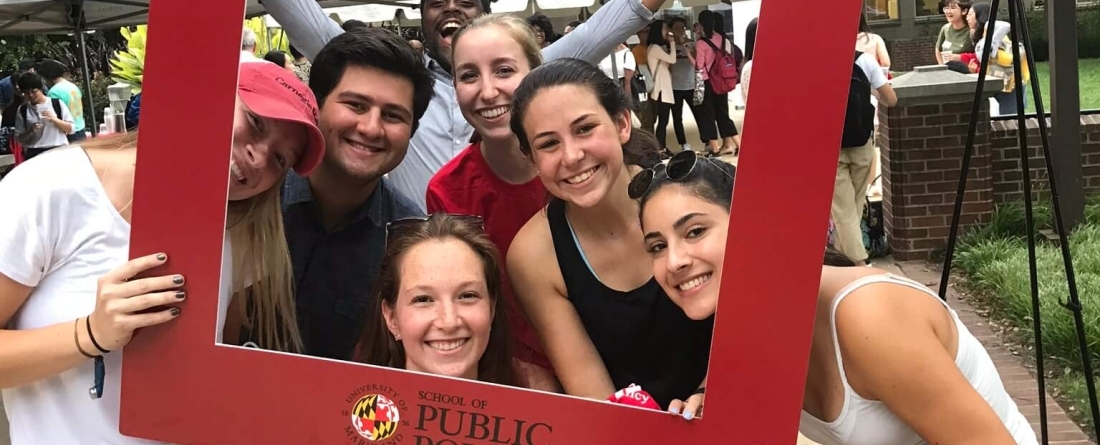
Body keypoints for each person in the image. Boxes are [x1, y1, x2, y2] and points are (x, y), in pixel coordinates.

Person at [0, 61, 324, 444]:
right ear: (211, 100)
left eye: (280, 160)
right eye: (255, 122)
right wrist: (90, 334)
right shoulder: (55, 186)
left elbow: (207, 373)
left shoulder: (241, 236)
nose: (260, 157)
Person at [632, 153, 1039, 444]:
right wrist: (710, 401)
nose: (675, 261)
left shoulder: (868, 317)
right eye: (656, 247)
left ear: (753, 224)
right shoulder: (746, 320)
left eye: (695, 231)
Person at [265, 0, 664, 212]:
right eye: (437, 2)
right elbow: (300, 15)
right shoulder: (392, 87)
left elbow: (621, 15)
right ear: (423, 17)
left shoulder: (532, 73)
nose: (451, 8)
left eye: (466, 2)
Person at [507, 58, 712, 409]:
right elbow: (595, 397)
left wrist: (711, 394)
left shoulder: (694, 193)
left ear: (621, 124)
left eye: (585, 128)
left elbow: (748, 319)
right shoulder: (535, 254)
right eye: (548, 144)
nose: (572, 156)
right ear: (531, 158)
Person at [280, 29, 431, 361]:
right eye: (355, 105)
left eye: (393, 115)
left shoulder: (410, 246)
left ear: (411, 132)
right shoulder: (253, 196)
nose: (371, 128)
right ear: (315, 105)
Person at [425, 14, 557, 391]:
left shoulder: (575, 167)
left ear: (535, 72)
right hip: (512, 374)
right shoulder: (448, 190)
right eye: (468, 75)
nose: (487, 91)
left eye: (503, 70)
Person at [357, 214, 517, 386]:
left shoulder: (531, 407)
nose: (449, 322)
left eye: (467, 296)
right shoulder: (345, 410)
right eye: (423, 299)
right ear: (391, 318)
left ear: (491, 309)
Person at [694, 10, 741, 156]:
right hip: (721, 81)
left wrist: (689, 54)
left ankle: (715, 148)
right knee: (723, 114)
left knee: (707, 114)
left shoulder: (701, 42)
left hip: (708, 82)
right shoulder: (721, 37)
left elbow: (699, 66)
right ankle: (739, 144)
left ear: (700, 24)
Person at [13, 72, 74, 161]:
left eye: (34, 91)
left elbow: (71, 129)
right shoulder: (23, 110)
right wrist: (30, 130)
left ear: (40, 89)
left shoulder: (56, 104)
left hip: (58, 149)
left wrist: (55, 120)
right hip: (35, 152)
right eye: (26, 93)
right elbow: (19, 138)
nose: (31, 95)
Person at [668, 17, 703, 154]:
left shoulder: (692, 44)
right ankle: (683, 143)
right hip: (675, 86)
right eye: (676, 28)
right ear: (671, 30)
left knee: (699, 114)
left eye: (682, 27)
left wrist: (685, 45)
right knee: (677, 117)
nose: (680, 30)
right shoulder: (668, 46)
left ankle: (706, 139)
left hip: (691, 85)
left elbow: (696, 61)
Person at [37, 60, 87, 142]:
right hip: (80, 129)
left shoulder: (54, 92)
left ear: (46, 77)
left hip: (68, 133)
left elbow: (54, 116)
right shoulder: (72, 86)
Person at [647, 20, 677, 155]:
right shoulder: (655, 48)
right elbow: (673, 60)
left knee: (663, 120)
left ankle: (662, 146)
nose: (667, 31)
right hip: (661, 90)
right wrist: (672, 43)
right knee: (663, 120)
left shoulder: (656, 47)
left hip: (662, 88)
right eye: (665, 28)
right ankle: (660, 148)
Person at [935, 0, 973, 64]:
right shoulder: (945, 29)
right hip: (947, 71)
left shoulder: (971, 30)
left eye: (953, 8)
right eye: (946, 8)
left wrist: (959, 57)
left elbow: (978, 55)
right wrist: (941, 66)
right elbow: (938, 49)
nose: (948, 11)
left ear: (964, 11)